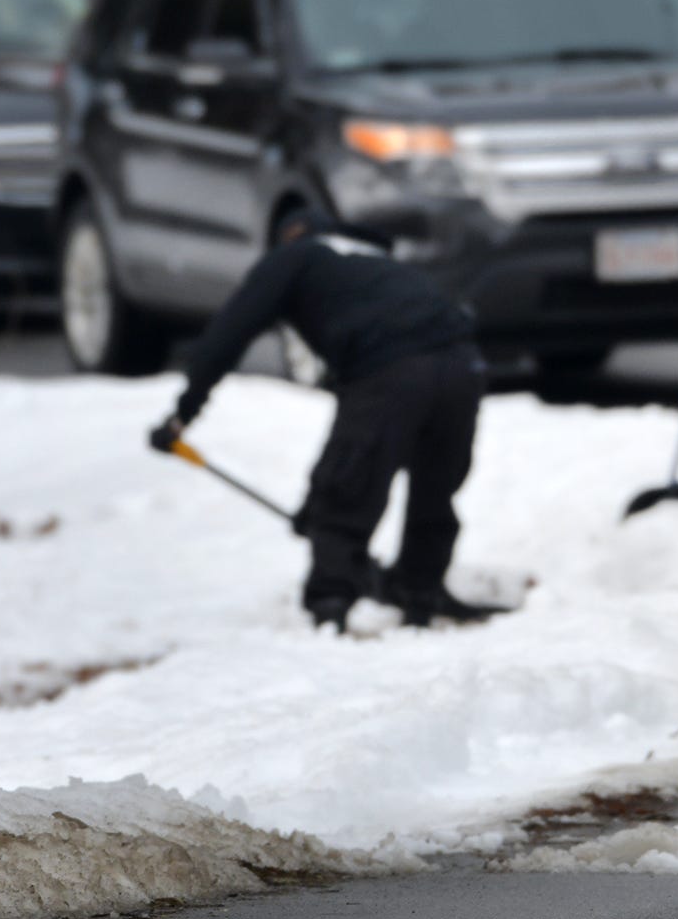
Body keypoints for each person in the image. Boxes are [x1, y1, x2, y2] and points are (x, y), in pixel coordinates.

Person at [149, 208, 498, 630]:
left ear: (290, 237)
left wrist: (184, 411)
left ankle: (330, 602)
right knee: (435, 484)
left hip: (391, 367)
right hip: (464, 364)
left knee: (347, 484)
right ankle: (420, 586)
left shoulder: (293, 257)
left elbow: (229, 331)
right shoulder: (374, 259)